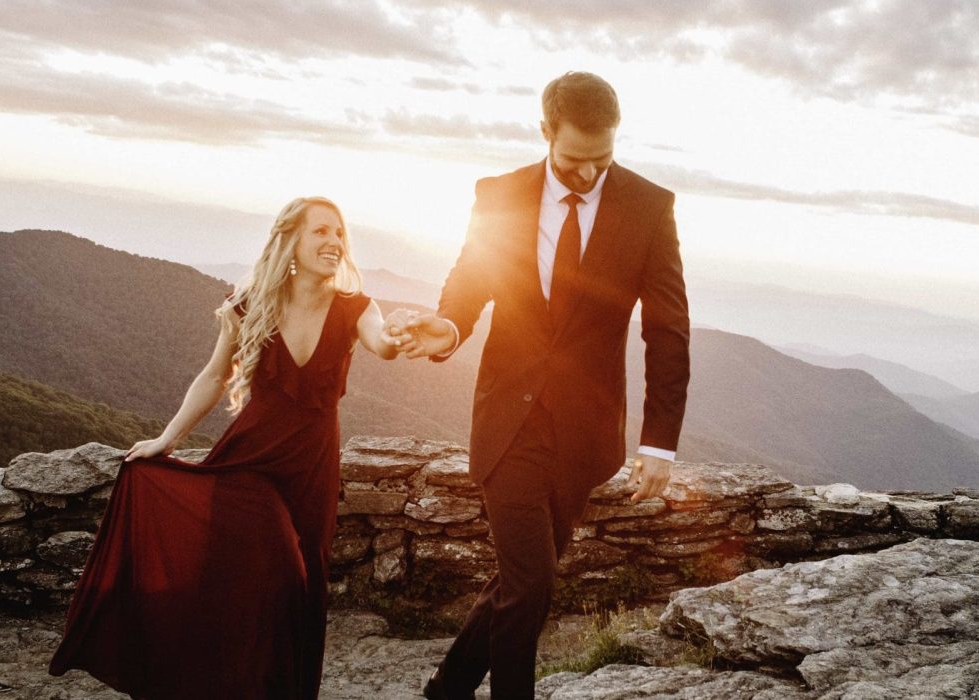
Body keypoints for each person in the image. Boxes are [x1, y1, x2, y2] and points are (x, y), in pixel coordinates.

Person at [392, 71, 691, 699]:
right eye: (574, 160)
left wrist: (659, 443)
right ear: (545, 132)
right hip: (508, 420)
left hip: (584, 435)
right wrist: (446, 329)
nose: (588, 175)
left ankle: (447, 689)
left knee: (520, 579)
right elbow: (472, 281)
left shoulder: (648, 206)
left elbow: (668, 330)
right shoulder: (500, 195)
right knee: (531, 583)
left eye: (602, 160)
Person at [48, 196, 403, 699]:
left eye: (340, 233)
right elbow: (216, 376)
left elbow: (384, 343)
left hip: (312, 469)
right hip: (250, 463)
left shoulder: (356, 308)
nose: (334, 242)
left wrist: (411, 335)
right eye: (321, 231)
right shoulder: (252, 303)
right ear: (292, 242)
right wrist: (166, 440)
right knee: (280, 567)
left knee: (303, 586)